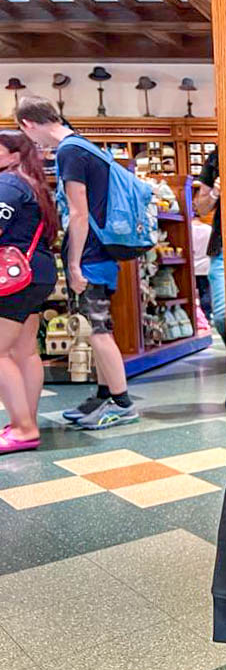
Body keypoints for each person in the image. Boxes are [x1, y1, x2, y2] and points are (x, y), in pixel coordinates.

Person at [16, 96, 138, 430]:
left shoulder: (69, 151)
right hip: (101, 253)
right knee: (97, 327)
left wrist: (73, 265)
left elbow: (79, 213)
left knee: (97, 330)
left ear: (28, 124)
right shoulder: (84, 146)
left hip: (90, 256)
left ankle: (123, 404)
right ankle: (104, 395)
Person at [0, 131, 58, 454]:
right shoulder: (33, 185)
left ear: (14, 155)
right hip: (36, 273)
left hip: (13, 276)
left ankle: (23, 428)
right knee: (25, 351)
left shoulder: (8, 183)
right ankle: (26, 422)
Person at [193, 150, 225, 346]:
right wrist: (215, 192)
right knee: (222, 316)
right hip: (224, 245)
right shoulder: (216, 157)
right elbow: (201, 207)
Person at [191, 215, 212, 320]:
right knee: (205, 293)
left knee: (192, 294)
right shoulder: (209, 229)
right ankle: (207, 317)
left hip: (192, 267)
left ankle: (197, 318)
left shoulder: (189, 229)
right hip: (205, 266)